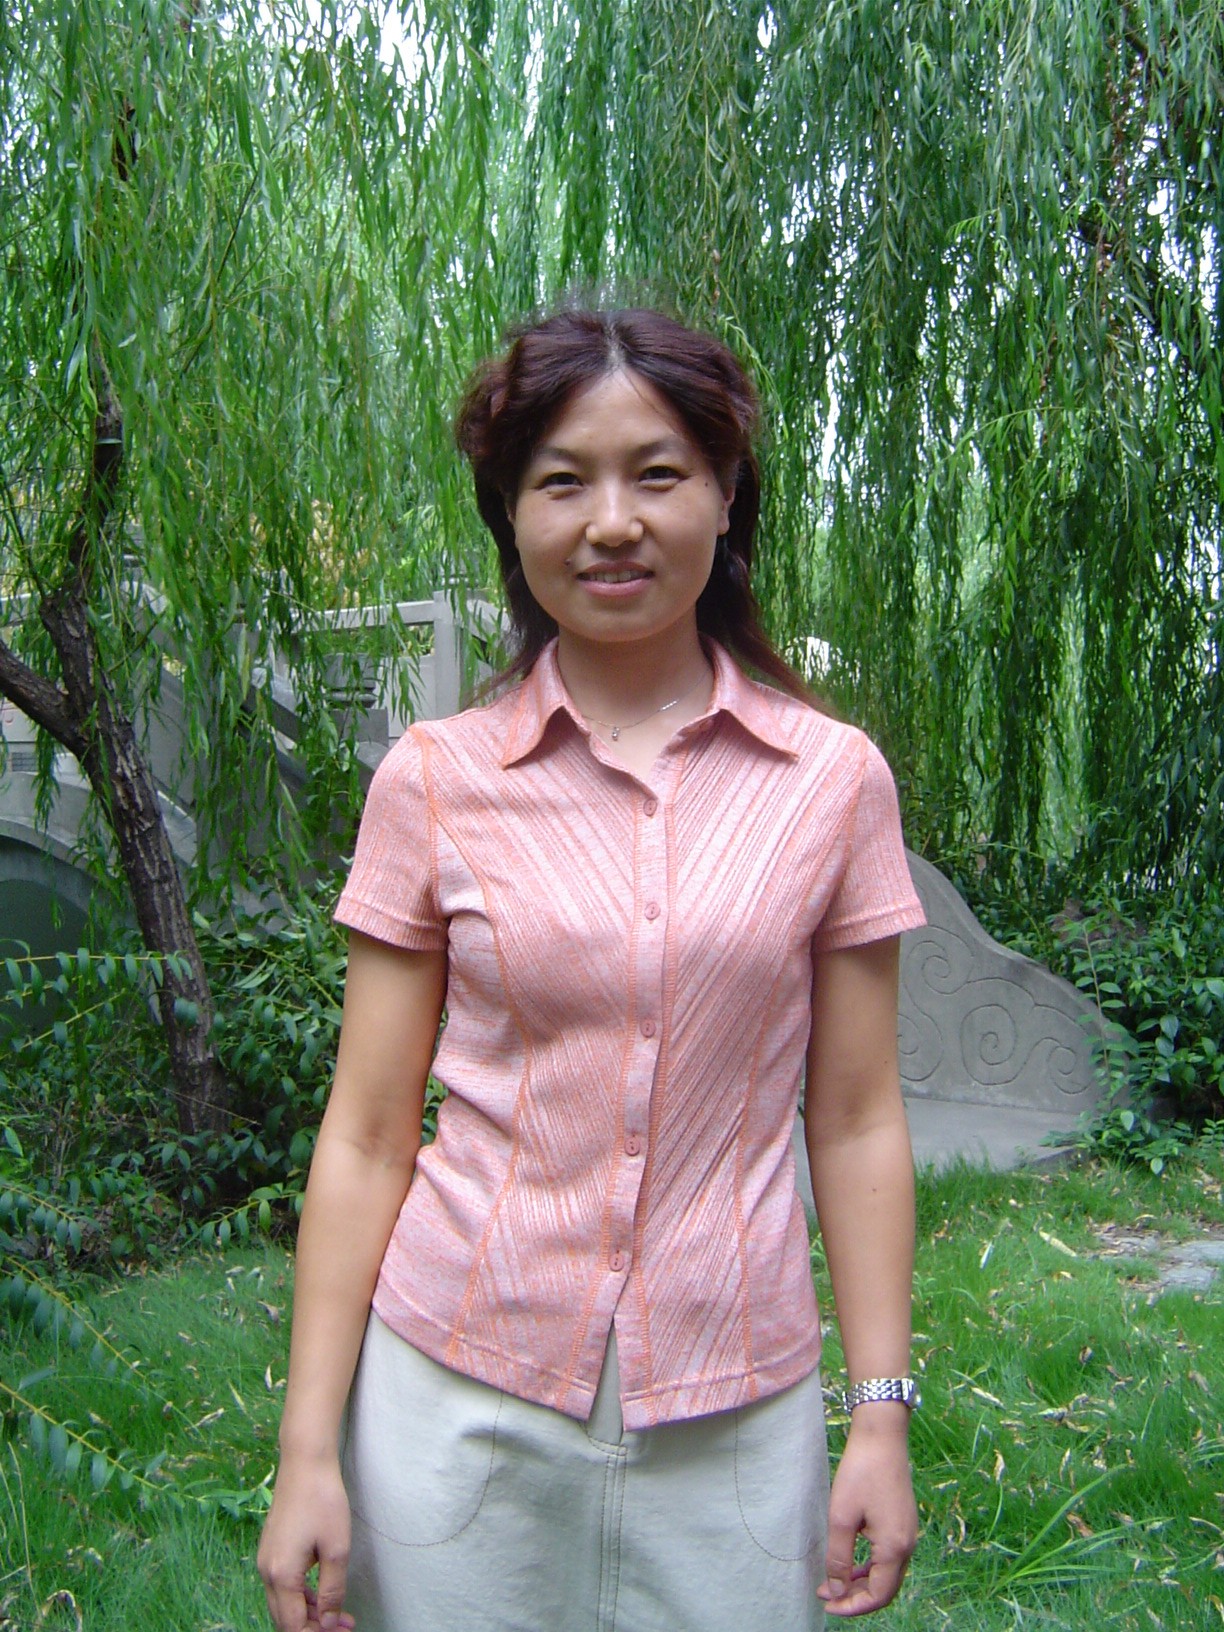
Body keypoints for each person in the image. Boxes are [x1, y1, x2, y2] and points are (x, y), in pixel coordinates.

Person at [257, 306, 926, 1632]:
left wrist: (881, 1417)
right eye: (562, 481)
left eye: (658, 474)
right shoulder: (436, 782)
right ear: (510, 515)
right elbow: (370, 1132)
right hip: (458, 1405)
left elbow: (855, 1119)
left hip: (737, 1419)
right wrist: (307, 1451)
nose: (612, 522)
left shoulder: (832, 783)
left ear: (726, 498)